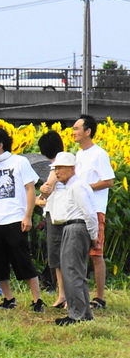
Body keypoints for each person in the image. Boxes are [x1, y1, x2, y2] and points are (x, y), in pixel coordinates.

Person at [0, 127, 44, 312]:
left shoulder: (19, 162)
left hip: (15, 218)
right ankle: (9, 298)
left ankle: (37, 300)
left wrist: (28, 215)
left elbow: (30, 189)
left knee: (23, 260)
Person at [48, 152, 100, 326]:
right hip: (73, 227)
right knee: (75, 271)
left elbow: (89, 213)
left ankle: (77, 314)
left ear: (71, 168)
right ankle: (83, 313)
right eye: (56, 168)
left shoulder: (76, 186)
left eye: (60, 168)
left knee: (72, 272)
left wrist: (94, 236)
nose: (57, 172)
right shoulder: (73, 186)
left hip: (76, 227)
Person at [72, 114, 115, 309]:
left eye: (77, 129)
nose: (73, 132)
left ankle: (99, 297)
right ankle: (81, 294)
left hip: (95, 209)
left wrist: (86, 188)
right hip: (78, 210)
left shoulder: (99, 154)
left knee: (95, 254)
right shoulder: (78, 155)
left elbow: (109, 181)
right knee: (79, 253)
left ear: (88, 131)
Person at [35, 130, 67, 308]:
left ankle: (65, 295)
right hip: (58, 214)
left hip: (57, 217)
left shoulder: (57, 166)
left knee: (58, 257)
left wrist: (37, 197)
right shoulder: (67, 163)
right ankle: (63, 294)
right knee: (58, 258)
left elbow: (47, 190)